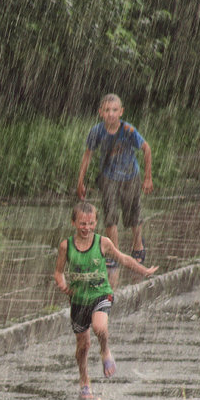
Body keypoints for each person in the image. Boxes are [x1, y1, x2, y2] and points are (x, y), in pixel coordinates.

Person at [54, 202, 157, 399]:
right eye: (83, 224)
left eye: (91, 223)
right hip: (78, 300)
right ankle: (84, 380)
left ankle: (105, 351)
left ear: (96, 223)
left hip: (101, 293)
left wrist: (143, 270)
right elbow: (58, 272)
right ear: (73, 223)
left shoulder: (103, 243)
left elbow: (123, 259)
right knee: (83, 345)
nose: (87, 228)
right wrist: (62, 283)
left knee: (100, 327)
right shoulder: (66, 246)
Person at [76, 93, 153, 287]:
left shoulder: (128, 130)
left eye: (114, 110)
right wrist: (80, 181)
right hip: (109, 177)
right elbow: (87, 155)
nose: (111, 114)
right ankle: (115, 252)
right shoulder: (97, 132)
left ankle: (138, 244)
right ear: (101, 113)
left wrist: (147, 177)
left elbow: (146, 148)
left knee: (133, 216)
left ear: (121, 112)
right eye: (107, 110)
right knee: (110, 215)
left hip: (130, 177)